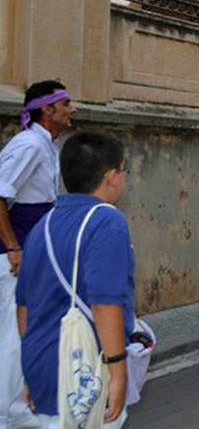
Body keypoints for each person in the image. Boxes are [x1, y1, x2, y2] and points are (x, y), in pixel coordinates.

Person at [16, 132, 134, 428]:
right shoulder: (107, 220)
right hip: (85, 370)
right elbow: (105, 304)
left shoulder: (42, 225)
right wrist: (117, 370)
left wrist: (31, 369)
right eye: (124, 170)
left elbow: (25, 308)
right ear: (111, 176)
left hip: (43, 366)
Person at [0, 80, 76, 428]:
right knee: (15, 336)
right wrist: (13, 247)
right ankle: (10, 413)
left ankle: (23, 406)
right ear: (48, 110)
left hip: (34, 251)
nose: (72, 109)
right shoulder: (29, 145)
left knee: (28, 332)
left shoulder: (47, 145)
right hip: (16, 256)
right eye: (66, 103)